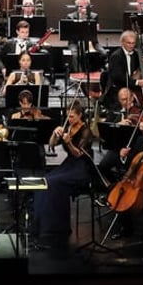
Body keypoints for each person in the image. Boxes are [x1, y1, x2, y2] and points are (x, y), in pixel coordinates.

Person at [31, 101, 97, 247]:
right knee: (45, 180)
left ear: (80, 115)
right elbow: (52, 144)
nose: (70, 119)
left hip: (82, 167)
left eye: (72, 116)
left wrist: (69, 142)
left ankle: (52, 229)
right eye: (68, 116)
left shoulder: (86, 131)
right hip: (69, 165)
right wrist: (55, 134)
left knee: (53, 183)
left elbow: (78, 153)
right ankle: (39, 226)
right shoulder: (68, 127)